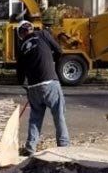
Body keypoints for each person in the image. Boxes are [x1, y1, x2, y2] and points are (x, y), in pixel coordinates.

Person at [16, 21, 71, 156]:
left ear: (21, 34)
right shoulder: (43, 34)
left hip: (33, 87)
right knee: (58, 114)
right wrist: (52, 62)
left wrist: (25, 86)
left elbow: (20, 73)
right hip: (50, 82)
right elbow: (59, 50)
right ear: (31, 28)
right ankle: (63, 146)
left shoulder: (22, 47)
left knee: (35, 118)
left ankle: (30, 147)